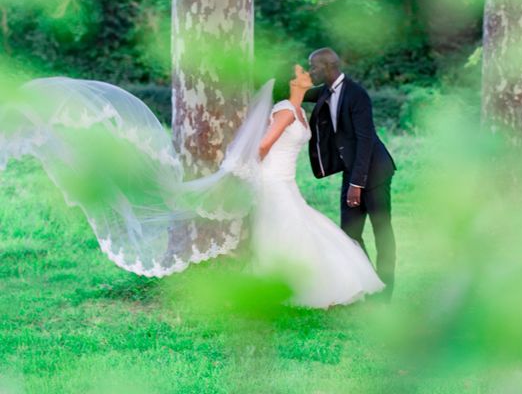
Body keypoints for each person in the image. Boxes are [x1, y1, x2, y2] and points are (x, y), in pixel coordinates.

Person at [0, 69, 383, 308]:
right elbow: (263, 145)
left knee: (296, 225)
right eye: (302, 71)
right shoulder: (285, 109)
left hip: (284, 178)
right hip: (272, 179)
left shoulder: (300, 111)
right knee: (288, 228)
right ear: (290, 82)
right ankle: (302, 286)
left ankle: (307, 283)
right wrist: (249, 170)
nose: (306, 72)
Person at [303, 48, 396, 300]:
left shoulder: (357, 95)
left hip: (374, 172)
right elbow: (296, 93)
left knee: (382, 232)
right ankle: (370, 284)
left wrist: (357, 184)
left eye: (314, 67)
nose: (311, 71)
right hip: (351, 172)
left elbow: (365, 141)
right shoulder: (324, 92)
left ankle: (386, 293)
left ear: (329, 66)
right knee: (350, 234)